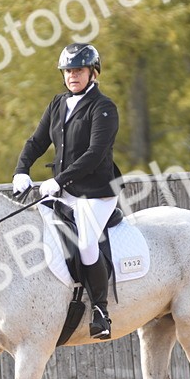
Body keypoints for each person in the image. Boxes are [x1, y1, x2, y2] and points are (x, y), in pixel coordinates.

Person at [13, 42, 122, 339]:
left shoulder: (104, 108)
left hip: (97, 192)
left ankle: (100, 312)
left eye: (79, 70)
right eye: (68, 71)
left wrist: (59, 181)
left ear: (93, 73)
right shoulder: (57, 104)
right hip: (64, 192)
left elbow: (95, 153)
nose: (73, 75)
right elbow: (36, 142)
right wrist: (21, 170)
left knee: (86, 243)